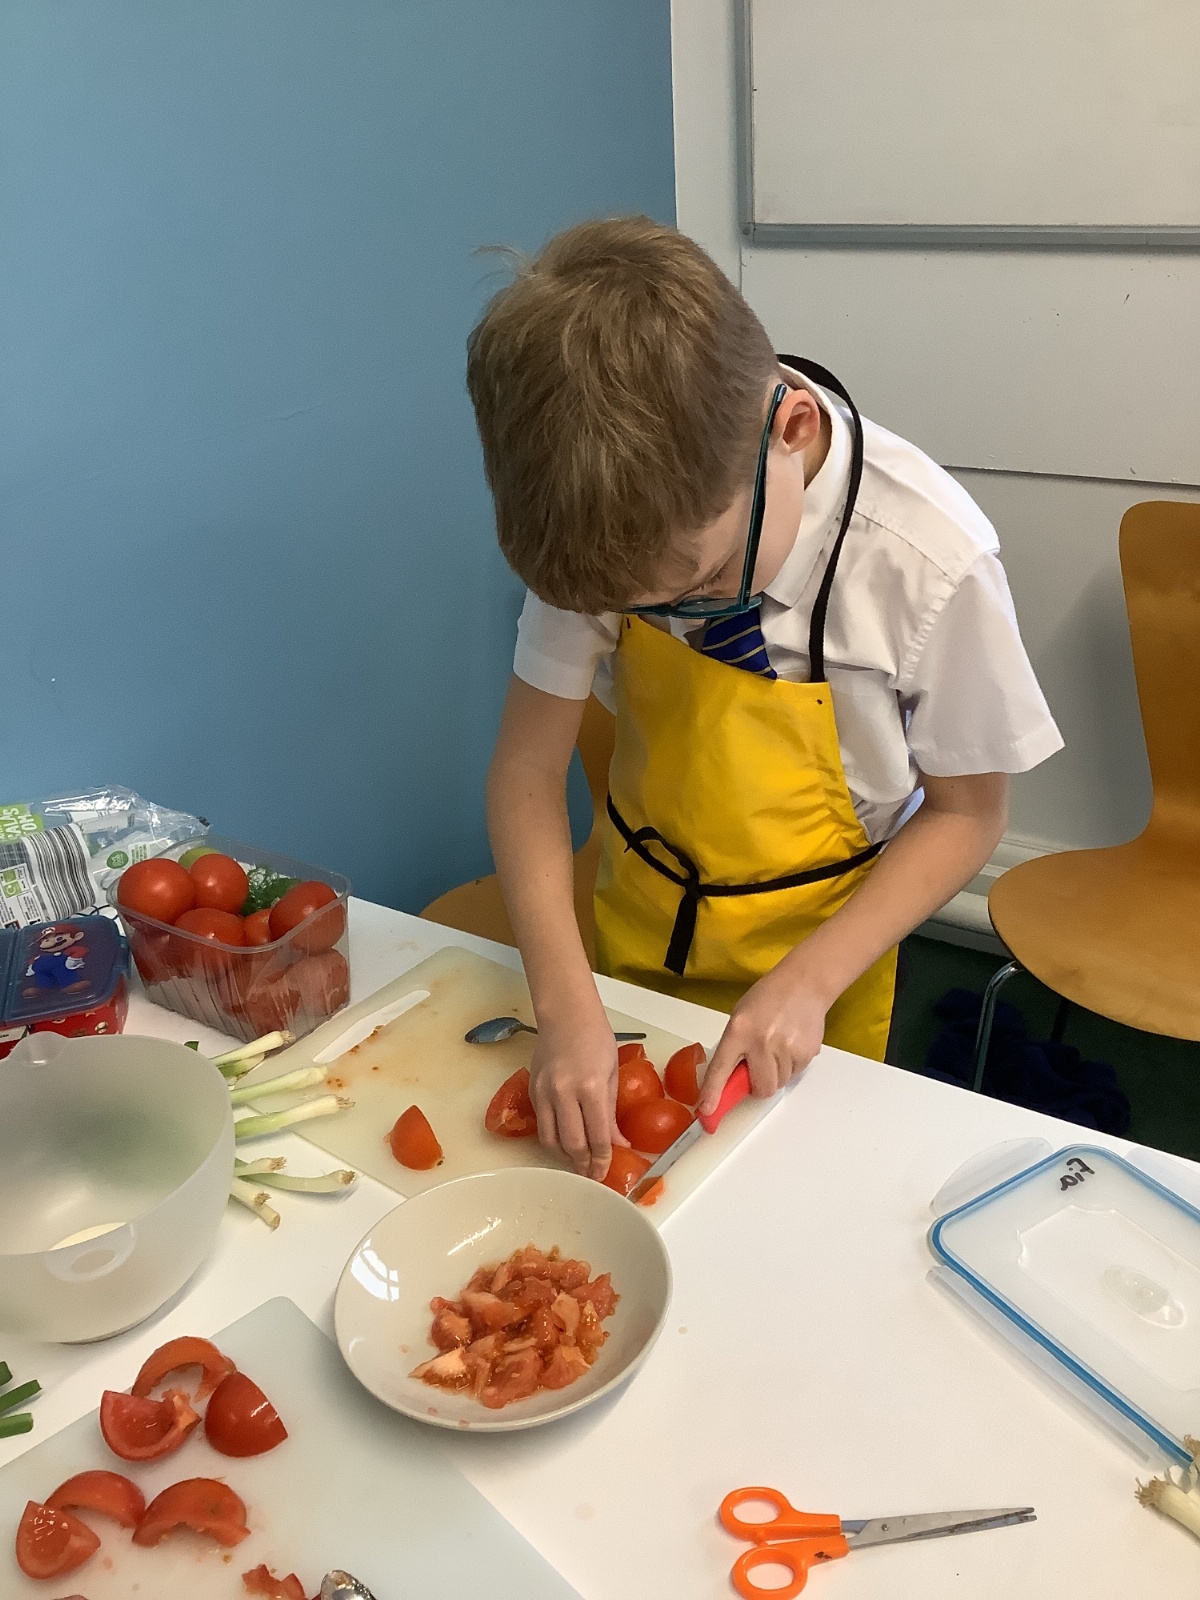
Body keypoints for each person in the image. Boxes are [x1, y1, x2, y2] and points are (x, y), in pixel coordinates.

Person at [468, 216, 1062, 1180]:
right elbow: (527, 772)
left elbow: (968, 814)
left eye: (701, 584)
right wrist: (566, 1001)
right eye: (635, 610)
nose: (671, 618)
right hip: (641, 922)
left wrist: (808, 982)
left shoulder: (930, 564)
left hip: (824, 951)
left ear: (789, 430)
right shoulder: (605, 523)